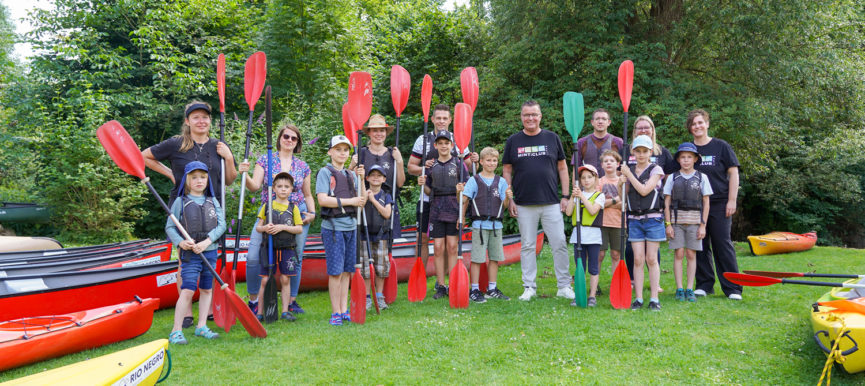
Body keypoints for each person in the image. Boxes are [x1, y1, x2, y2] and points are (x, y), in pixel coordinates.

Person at [143, 101, 238, 328]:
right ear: (187, 121)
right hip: (183, 208)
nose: (201, 121)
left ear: (210, 121)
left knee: (211, 257)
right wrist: (172, 175)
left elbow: (230, 179)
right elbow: (144, 156)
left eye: (205, 117)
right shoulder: (177, 143)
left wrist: (230, 158)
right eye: (195, 117)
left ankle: (207, 312)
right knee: (183, 260)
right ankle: (186, 314)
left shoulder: (218, 146)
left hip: (211, 209)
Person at [239, 123, 315, 316]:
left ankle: (291, 302)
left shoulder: (302, 166)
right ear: (280, 138)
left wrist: (312, 213)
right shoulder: (265, 160)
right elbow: (255, 186)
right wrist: (245, 174)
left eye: (293, 138)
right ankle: (254, 301)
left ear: (297, 143)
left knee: (294, 258)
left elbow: (307, 194)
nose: (289, 140)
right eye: (286, 136)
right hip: (269, 212)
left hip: (295, 213)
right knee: (254, 256)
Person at [502, 100, 572, 302]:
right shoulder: (513, 141)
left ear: (540, 116)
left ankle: (564, 286)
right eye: (526, 115)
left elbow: (562, 168)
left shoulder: (552, 138)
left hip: (551, 202)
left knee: (559, 243)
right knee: (527, 245)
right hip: (523, 203)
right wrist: (510, 198)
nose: (530, 118)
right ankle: (529, 287)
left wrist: (565, 196)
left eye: (534, 114)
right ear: (521, 117)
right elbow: (507, 170)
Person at [407, 104, 476, 291]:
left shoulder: (459, 138)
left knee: (451, 243)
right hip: (431, 197)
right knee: (425, 238)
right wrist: (424, 168)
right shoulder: (423, 139)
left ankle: (448, 281)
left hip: (453, 200)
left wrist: (474, 159)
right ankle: (424, 278)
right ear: (433, 119)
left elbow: (468, 166)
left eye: (445, 118)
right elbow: (411, 166)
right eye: (438, 118)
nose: (441, 121)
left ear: (450, 120)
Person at [165, 161, 226, 344]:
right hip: (191, 254)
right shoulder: (179, 202)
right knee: (188, 289)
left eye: (202, 177)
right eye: (194, 178)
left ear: (207, 180)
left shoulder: (213, 201)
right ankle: (176, 330)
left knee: (207, 288)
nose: (199, 181)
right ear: (187, 181)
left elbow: (221, 225)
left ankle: (201, 326)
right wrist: (181, 242)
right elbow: (170, 227)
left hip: (210, 251)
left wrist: (207, 241)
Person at [687, 109, 742, 300]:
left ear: (707, 124)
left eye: (700, 122)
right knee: (699, 244)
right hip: (694, 204)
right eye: (694, 124)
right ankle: (704, 284)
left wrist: (732, 200)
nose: (697, 126)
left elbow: (733, 173)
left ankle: (733, 288)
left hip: (719, 203)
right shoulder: (688, 150)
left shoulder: (721, 146)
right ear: (690, 128)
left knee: (722, 243)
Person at [316, 135, 366, 326]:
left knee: (347, 271)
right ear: (330, 152)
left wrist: (361, 178)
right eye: (338, 149)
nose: (342, 153)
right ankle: (335, 311)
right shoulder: (325, 172)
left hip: (351, 226)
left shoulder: (351, 174)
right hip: (334, 228)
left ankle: (344, 309)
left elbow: (362, 200)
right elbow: (322, 200)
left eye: (345, 150)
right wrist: (351, 201)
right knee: (336, 272)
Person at [624, 116, 674, 291]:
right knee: (634, 252)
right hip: (633, 212)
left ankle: (655, 285)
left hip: (653, 212)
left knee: (652, 254)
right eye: (640, 127)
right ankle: (632, 281)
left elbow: (666, 180)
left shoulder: (662, 156)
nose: (644, 129)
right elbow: (622, 187)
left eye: (647, 127)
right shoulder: (626, 155)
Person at [416, 131, 469, 299]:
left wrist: (462, 213)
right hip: (436, 208)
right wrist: (423, 185)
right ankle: (441, 285)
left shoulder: (459, 164)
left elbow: (466, 192)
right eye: (441, 143)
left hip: (454, 207)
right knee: (438, 248)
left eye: (447, 143)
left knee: (452, 247)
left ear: (452, 145)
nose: (444, 146)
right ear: (435, 145)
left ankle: (453, 283)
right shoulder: (430, 167)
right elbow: (429, 191)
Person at [457, 147, 513, 303]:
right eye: (488, 160)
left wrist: (508, 197)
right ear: (481, 161)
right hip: (479, 226)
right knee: (477, 258)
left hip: (496, 226)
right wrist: (458, 193)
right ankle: (474, 289)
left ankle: (492, 288)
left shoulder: (501, 181)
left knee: (494, 258)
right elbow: (463, 201)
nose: (492, 163)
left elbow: (505, 205)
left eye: (494, 160)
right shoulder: (474, 180)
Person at [663, 143, 712, 302]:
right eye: (682, 157)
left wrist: (703, 225)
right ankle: (679, 288)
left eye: (689, 157)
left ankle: (690, 288)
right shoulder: (672, 177)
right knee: (679, 253)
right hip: (676, 221)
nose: (685, 160)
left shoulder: (701, 177)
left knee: (691, 254)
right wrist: (668, 224)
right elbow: (667, 202)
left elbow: (706, 202)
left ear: (695, 159)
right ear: (678, 159)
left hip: (694, 221)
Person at [621, 135, 665, 311]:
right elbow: (624, 195)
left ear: (650, 152)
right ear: (633, 152)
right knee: (638, 259)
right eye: (637, 151)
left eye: (644, 151)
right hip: (634, 220)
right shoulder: (628, 170)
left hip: (653, 219)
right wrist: (620, 182)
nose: (641, 155)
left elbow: (645, 191)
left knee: (651, 258)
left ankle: (654, 298)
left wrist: (628, 174)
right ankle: (638, 298)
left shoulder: (656, 170)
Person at [255, 172, 304, 321]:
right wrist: (265, 228)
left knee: (285, 279)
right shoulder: (267, 206)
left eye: (287, 187)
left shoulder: (293, 208)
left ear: (291, 190)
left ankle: (284, 311)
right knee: (265, 280)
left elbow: (299, 229)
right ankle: (260, 313)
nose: (283, 189)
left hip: (287, 249)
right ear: (274, 189)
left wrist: (282, 227)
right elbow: (258, 227)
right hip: (268, 248)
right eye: (280, 186)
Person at [350, 114, 405, 239]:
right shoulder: (362, 152)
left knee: (385, 250)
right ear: (369, 133)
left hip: (386, 204)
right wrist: (351, 165)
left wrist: (400, 162)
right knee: (363, 249)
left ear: (386, 132)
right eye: (375, 130)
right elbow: (350, 180)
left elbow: (400, 183)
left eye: (382, 130)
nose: (378, 134)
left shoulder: (393, 153)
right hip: (365, 205)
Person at [564, 164, 605, 307]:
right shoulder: (576, 195)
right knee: (579, 266)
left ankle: (592, 296)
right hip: (578, 236)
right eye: (583, 178)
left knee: (593, 267)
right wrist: (572, 198)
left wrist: (581, 196)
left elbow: (593, 211)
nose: (586, 180)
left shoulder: (600, 195)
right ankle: (579, 294)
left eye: (589, 177)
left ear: (595, 179)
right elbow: (568, 212)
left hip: (593, 236)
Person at [359, 165, 393, 310]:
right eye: (372, 175)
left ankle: (379, 296)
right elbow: (359, 208)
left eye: (379, 175)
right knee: (365, 268)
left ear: (383, 179)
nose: (375, 178)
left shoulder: (386, 196)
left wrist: (373, 200)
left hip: (381, 236)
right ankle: (367, 297)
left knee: (381, 267)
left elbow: (386, 214)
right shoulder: (362, 194)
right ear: (367, 178)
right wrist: (366, 196)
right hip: (364, 236)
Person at [597, 150, 624, 277]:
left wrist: (607, 203)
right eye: (605, 161)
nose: (608, 163)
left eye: (612, 161)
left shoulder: (622, 181)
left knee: (616, 254)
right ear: (601, 165)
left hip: (618, 223)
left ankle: (616, 283)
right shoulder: (598, 182)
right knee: (599, 254)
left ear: (618, 164)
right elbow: (598, 204)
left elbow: (624, 204)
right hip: (601, 222)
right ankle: (595, 284)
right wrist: (615, 200)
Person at [575, 108, 623, 178]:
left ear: (609, 122)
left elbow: (623, 168)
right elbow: (575, 168)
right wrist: (576, 186)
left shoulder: (618, 142)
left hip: (612, 187)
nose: (600, 121)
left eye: (604, 119)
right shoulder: (581, 142)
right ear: (592, 122)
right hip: (588, 187)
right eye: (597, 119)